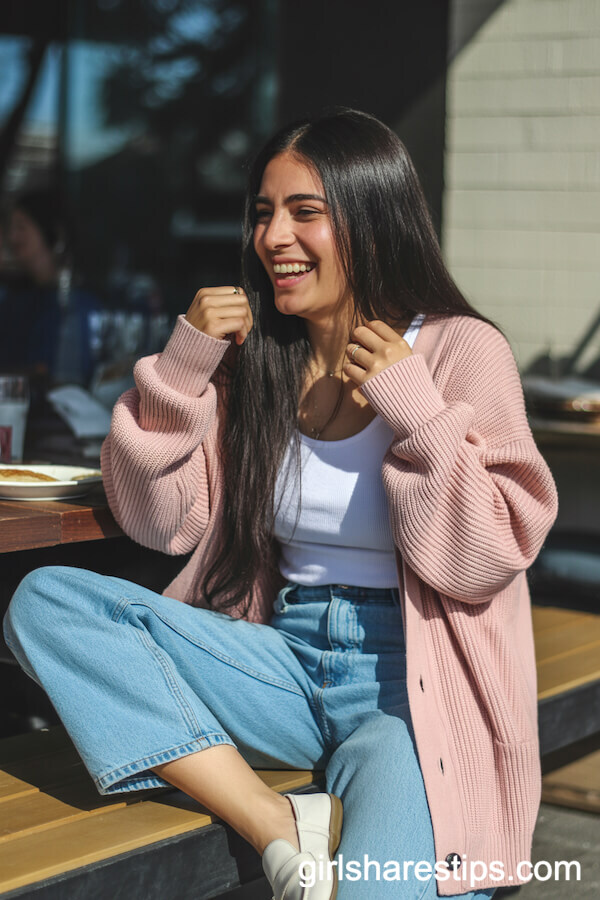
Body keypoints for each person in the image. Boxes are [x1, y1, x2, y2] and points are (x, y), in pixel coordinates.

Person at [3, 109, 558, 899]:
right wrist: (183, 367)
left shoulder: (461, 348)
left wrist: (416, 409)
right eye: (264, 213)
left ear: (372, 216)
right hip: (280, 664)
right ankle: (274, 822)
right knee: (47, 603)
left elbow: (488, 557)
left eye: (305, 212)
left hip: (412, 695)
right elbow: (157, 521)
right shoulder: (258, 359)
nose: (274, 237)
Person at [0, 189, 99, 386]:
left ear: (54, 234)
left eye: (21, 227)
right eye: (11, 228)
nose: (12, 237)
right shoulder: (15, 298)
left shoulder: (78, 302)